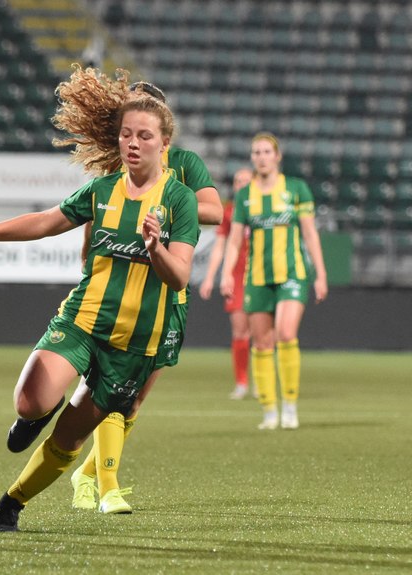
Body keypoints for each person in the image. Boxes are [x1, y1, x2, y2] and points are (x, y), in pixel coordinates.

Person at [0, 66, 199, 532]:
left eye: (144, 135)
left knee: (69, 438)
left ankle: (12, 502)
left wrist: (156, 249)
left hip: (136, 345)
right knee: (29, 401)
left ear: (165, 144)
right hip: (85, 318)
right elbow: (46, 220)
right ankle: (34, 417)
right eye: (126, 134)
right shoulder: (103, 190)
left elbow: (180, 277)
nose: (133, 142)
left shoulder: (180, 201)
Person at [64, 81, 222, 514]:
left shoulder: (184, 165)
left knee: (134, 398)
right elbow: (94, 218)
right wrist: (86, 265)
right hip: (117, 291)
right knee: (104, 387)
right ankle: (107, 485)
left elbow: (215, 210)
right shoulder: (121, 166)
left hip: (168, 295)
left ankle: (87, 473)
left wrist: (172, 204)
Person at [220, 132, 327, 430]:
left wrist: (321, 273)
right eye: (257, 153)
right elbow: (232, 241)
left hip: (292, 274)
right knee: (263, 343)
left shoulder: (295, 189)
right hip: (257, 279)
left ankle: (290, 405)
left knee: (286, 333)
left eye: (267, 151)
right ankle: (270, 410)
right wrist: (227, 272)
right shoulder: (244, 196)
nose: (262, 157)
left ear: (277, 156)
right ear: (253, 159)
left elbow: (309, 233)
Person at [199, 167, 255, 399]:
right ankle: (242, 382)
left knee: (264, 335)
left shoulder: (266, 208)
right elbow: (220, 246)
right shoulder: (230, 212)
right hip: (239, 277)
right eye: (237, 181)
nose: (240, 184)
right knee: (240, 329)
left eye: (245, 181)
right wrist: (211, 277)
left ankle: (263, 382)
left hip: (264, 275)